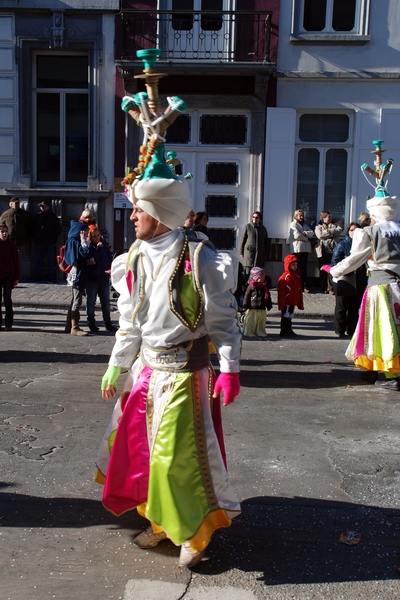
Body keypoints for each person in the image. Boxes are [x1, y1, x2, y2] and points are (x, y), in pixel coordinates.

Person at [95, 142, 241, 568]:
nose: (133, 216)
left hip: (184, 374)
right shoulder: (134, 258)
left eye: (139, 209)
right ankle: (161, 522)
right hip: (148, 372)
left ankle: (194, 531)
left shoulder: (202, 259)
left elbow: (224, 324)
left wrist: (229, 370)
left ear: (158, 213)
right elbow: (131, 324)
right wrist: (116, 366)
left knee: (178, 459)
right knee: (144, 454)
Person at [327, 179, 400, 389]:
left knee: (379, 329)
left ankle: (389, 374)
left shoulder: (369, 232)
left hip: (381, 288)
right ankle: (377, 369)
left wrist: (335, 271)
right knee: (393, 328)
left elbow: (355, 258)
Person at [331, 223, 367, 338]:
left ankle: (352, 330)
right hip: (345, 279)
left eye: (357, 230)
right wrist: (348, 267)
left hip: (360, 279)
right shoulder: (343, 244)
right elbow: (335, 261)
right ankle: (340, 329)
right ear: (348, 232)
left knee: (354, 306)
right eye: (352, 230)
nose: (355, 232)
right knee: (342, 305)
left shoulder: (364, 246)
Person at [85, 226, 117, 333]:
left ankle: (108, 322)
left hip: (104, 277)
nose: (96, 238)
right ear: (90, 236)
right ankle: (91, 323)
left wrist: (110, 268)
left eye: (98, 235)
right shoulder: (89, 246)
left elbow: (109, 257)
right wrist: (98, 248)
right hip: (93, 278)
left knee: (106, 301)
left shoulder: (104, 244)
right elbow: (92, 259)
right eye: (94, 236)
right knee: (91, 301)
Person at [64, 220, 91, 336]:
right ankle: (74, 327)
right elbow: (85, 253)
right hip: (77, 273)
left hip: (75, 272)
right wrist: (84, 241)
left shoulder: (70, 241)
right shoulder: (75, 243)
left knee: (74, 298)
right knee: (77, 300)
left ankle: (68, 325)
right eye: (85, 232)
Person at [32, 201, 62, 282]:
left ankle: (51, 275)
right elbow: (33, 229)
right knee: (38, 258)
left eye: (44, 206)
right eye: (41, 206)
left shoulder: (52, 217)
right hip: (40, 241)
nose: (42, 208)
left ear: (48, 207)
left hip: (50, 241)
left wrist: (53, 237)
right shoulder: (37, 217)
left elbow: (58, 229)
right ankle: (39, 275)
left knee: (51, 259)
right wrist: (36, 238)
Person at [315, 210, 343, 294]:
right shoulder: (318, 226)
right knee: (323, 269)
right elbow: (320, 235)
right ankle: (323, 287)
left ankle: (331, 288)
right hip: (323, 251)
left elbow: (339, 231)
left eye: (330, 216)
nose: (330, 217)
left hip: (333, 250)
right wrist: (332, 233)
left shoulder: (335, 225)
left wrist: (328, 232)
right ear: (323, 218)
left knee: (332, 269)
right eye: (328, 216)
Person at [288, 209, 314, 292]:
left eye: (302, 215)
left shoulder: (305, 225)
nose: (302, 217)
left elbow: (312, 233)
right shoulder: (293, 224)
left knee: (304, 268)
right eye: (300, 215)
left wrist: (305, 233)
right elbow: (297, 235)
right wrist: (306, 238)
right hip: (297, 249)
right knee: (296, 268)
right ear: (296, 216)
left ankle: (304, 285)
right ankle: (296, 285)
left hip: (305, 249)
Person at [277, 254, 304, 337]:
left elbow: (299, 291)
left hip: (293, 301)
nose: (295, 267)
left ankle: (289, 329)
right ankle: (284, 331)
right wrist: (281, 304)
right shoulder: (284, 278)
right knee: (285, 316)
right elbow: (281, 293)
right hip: (286, 301)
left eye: (296, 265)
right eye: (293, 265)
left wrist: (299, 302)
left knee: (290, 316)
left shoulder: (297, 277)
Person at [0, 224, 20, 331]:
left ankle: (8, 323)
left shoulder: (11, 244)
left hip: (8, 275)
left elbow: (16, 261)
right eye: (2, 231)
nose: (4, 234)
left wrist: (16, 277)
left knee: (7, 299)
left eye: (6, 231)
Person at [242, 266, 271, 338]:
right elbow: (247, 296)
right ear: (256, 277)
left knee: (260, 321)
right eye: (261, 277)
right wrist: (245, 305)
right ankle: (250, 332)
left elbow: (268, 297)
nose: (263, 278)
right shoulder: (251, 286)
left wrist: (269, 305)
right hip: (252, 308)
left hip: (261, 307)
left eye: (264, 276)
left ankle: (259, 331)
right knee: (251, 321)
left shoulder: (265, 287)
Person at [239, 211, 268, 281]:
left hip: (259, 256)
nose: (255, 219)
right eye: (253, 217)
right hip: (249, 255)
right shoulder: (248, 227)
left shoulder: (263, 229)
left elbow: (266, 242)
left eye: (257, 217)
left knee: (258, 274)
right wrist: (241, 251)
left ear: (260, 219)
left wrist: (266, 254)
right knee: (247, 274)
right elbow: (242, 240)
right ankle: (245, 289)